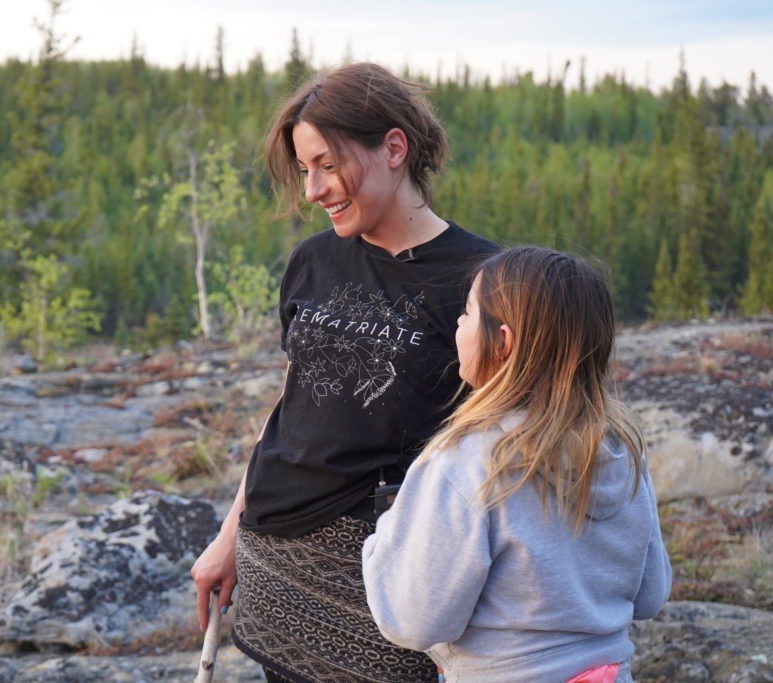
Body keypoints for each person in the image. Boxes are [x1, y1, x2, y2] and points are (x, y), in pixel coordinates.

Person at [190, 62, 500, 682]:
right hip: (273, 561)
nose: (312, 190)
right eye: (305, 170)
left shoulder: (483, 279)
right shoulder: (313, 260)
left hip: (384, 578)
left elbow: (499, 445)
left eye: (328, 166)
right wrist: (229, 536)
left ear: (393, 147)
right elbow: (293, 407)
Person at [362, 246, 672, 683]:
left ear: (503, 342)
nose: (458, 323)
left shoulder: (465, 461)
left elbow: (414, 620)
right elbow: (650, 594)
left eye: (467, 313)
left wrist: (382, 542)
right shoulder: (621, 451)